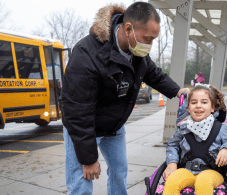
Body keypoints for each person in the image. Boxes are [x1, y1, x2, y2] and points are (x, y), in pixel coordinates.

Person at [61, 2, 190, 195]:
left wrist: (178, 91)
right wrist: (88, 159)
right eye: (148, 38)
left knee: (119, 171)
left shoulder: (136, 51)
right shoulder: (87, 54)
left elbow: (154, 74)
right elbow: (77, 110)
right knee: (82, 182)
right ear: (128, 28)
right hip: (84, 127)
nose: (150, 44)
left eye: (154, 39)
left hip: (113, 126)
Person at [162, 84, 227, 195]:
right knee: (172, 181)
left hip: (212, 172)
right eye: (194, 103)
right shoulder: (184, 127)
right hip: (187, 170)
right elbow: (172, 144)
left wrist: (226, 149)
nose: (198, 106)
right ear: (188, 108)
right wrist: (172, 162)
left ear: (212, 108)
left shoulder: (220, 128)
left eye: (204, 102)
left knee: (203, 182)